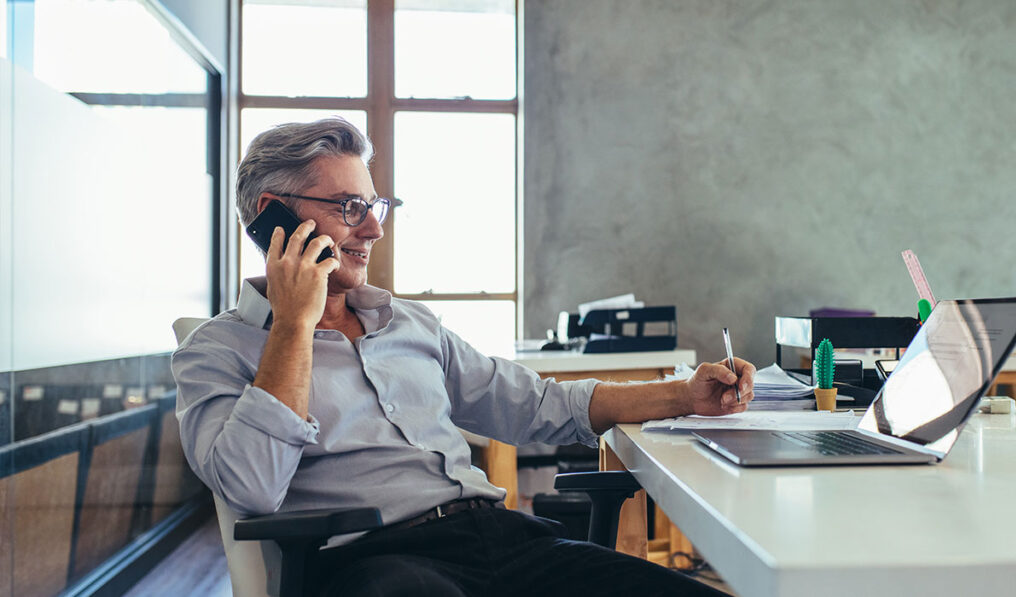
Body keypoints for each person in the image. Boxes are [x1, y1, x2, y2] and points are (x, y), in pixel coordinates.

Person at [173, 117, 756, 597]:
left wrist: (685, 394)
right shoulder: (217, 352)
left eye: (375, 204)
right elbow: (251, 487)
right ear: (274, 215)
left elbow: (542, 405)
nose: (374, 228)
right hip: (378, 567)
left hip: (503, 540)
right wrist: (295, 325)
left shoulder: (408, 324)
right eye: (350, 206)